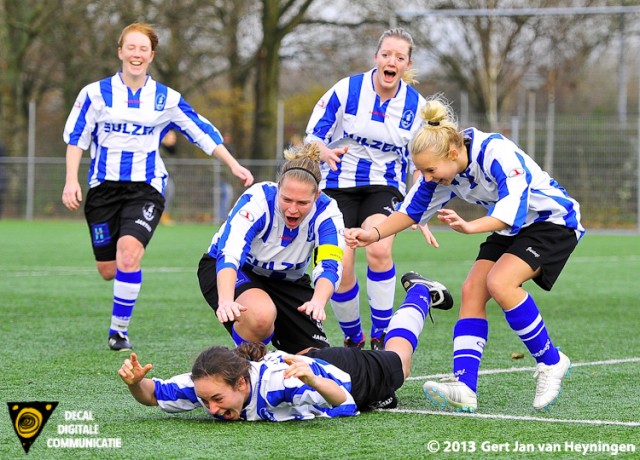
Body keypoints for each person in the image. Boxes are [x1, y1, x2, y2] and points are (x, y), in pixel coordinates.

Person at [346, 94, 585, 412]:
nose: (428, 178)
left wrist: (471, 227)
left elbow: (513, 208)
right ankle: (465, 386)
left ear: (454, 152)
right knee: (472, 289)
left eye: (430, 170)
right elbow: (410, 211)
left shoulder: (495, 151)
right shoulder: (443, 170)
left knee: (501, 283)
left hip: (551, 221)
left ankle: (551, 362)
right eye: (423, 172)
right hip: (510, 227)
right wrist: (372, 234)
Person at [61, 22, 253, 352]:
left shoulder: (166, 98)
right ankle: (119, 302)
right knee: (108, 270)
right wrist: (70, 181)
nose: (137, 54)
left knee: (128, 255)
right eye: (131, 48)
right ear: (120, 51)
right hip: (103, 190)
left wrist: (234, 164)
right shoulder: (94, 94)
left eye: (143, 49)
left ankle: (118, 332)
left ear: (152, 55)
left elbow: (201, 132)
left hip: (146, 189)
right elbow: (76, 140)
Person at [118, 271, 453, 421]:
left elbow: (345, 405)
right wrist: (135, 384)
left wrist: (312, 380)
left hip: (340, 374)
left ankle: (419, 294)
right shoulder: (209, 384)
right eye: (206, 400)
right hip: (309, 366)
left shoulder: (282, 387)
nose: (212, 409)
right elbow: (154, 393)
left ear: (242, 382)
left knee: (399, 364)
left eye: (217, 401)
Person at [304, 28, 435, 351]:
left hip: (384, 186)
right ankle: (353, 337)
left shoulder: (415, 106)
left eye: (399, 57)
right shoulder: (347, 90)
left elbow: (422, 162)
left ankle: (381, 335)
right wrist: (324, 151)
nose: (392, 61)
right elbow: (312, 136)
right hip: (337, 184)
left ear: (407, 64)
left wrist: (421, 208)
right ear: (376, 58)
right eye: (386, 54)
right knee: (342, 261)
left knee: (378, 248)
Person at [197, 143, 345, 354]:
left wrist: (318, 302)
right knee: (260, 316)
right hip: (236, 270)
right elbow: (230, 252)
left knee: (315, 359)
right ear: (278, 189)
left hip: (287, 281)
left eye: (302, 202)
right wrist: (226, 300)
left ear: (317, 196)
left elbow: (330, 263)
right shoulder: (257, 199)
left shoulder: (328, 213)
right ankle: (246, 363)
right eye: (286, 199)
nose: (292, 209)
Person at [159, 129, 177, 225]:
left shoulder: (172, 150)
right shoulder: (160, 149)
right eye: (172, 137)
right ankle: (161, 216)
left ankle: (164, 215)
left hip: (169, 176)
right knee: (167, 192)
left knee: (170, 193)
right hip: (161, 176)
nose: (174, 139)